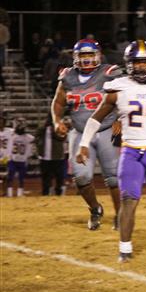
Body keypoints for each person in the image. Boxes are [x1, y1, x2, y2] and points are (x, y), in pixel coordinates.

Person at [77, 40, 146, 262]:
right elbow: (95, 118)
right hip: (131, 152)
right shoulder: (118, 88)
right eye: (137, 63)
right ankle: (125, 249)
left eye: (145, 63)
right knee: (128, 199)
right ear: (129, 64)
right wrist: (84, 143)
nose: (141, 67)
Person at [51, 39, 122, 230]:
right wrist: (57, 121)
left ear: (98, 55)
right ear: (75, 58)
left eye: (90, 54)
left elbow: (125, 95)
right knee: (81, 177)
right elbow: (58, 103)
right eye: (83, 55)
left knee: (114, 177)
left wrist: (121, 119)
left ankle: (120, 215)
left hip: (107, 129)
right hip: (80, 132)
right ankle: (95, 209)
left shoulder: (110, 73)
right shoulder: (67, 76)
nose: (87, 59)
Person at [38, 114, 66, 196]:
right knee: (45, 178)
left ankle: (58, 193)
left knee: (59, 177)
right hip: (45, 157)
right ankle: (45, 193)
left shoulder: (59, 127)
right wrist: (45, 126)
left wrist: (54, 129)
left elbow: (62, 137)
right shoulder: (43, 128)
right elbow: (37, 134)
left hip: (57, 157)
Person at [5, 117, 35, 197]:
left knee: (21, 178)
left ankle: (19, 193)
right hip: (13, 159)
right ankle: (10, 193)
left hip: (22, 160)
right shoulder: (12, 135)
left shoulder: (29, 137)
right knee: (10, 177)